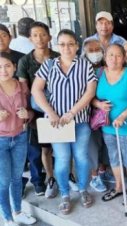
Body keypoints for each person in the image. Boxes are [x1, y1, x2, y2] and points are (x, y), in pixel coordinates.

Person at [32, 29, 97, 214]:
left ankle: (84, 189)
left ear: (77, 45)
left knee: (82, 157)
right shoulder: (49, 65)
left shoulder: (85, 65)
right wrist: (51, 113)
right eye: (62, 44)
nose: (66, 47)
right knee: (61, 159)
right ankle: (65, 194)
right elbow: (36, 90)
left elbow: (90, 92)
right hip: (57, 124)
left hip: (80, 121)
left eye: (70, 43)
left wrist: (73, 112)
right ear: (56, 46)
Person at [94, 44, 127, 205]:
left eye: (118, 55)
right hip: (107, 125)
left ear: (124, 58)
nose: (114, 59)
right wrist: (98, 105)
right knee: (114, 158)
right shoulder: (99, 73)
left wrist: (123, 116)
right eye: (110, 55)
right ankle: (118, 186)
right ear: (105, 56)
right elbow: (91, 97)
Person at [16, 21, 60, 198]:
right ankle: (50, 178)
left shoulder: (58, 56)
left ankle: (66, 176)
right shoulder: (25, 61)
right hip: (38, 111)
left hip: (61, 109)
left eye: (43, 34)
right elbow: (23, 88)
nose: (39, 38)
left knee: (63, 144)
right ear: (30, 38)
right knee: (44, 148)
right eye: (35, 35)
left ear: (49, 36)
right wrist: (27, 113)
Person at [0, 52, 37, 226]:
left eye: (7, 66)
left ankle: (18, 212)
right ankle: (7, 218)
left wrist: (27, 114)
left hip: (20, 136)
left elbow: (31, 109)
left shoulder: (22, 86)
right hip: (1, 140)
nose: (3, 70)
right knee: (3, 180)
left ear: (14, 67)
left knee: (17, 177)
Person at [81, 38, 108, 193]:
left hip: (105, 114)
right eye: (91, 51)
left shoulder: (106, 68)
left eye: (97, 50)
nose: (95, 54)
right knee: (91, 146)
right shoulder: (82, 69)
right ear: (85, 53)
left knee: (104, 144)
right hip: (88, 114)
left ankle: (103, 171)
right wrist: (96, 103)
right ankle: (94, 176)